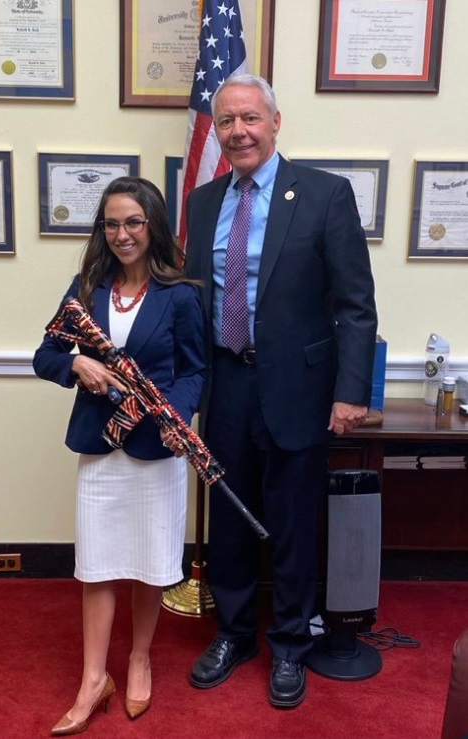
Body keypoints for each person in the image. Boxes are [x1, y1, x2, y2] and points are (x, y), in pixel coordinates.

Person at [185, 74, 378, 708]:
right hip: (226, 383)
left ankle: (291, 643)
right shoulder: (205, 201)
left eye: (250, 118)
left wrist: (350, 394)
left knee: (294, 523)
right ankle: (236, 633)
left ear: (275, 121)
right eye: (226, 121)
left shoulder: (325, 195)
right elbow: (193, 301)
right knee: (232, 522)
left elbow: (355, 304)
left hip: (299, 388)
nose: (238, 131)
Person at [33, 176, 206, 735]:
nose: (122, 234)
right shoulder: (87, 286)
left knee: (153, 561)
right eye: (111, 223)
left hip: (156, 448)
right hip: (99, 447)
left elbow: (193, 370)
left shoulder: (180, 294)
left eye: (133, 222)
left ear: (152, 225)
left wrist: (171, 417)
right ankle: (92, 679)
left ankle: (138, 659)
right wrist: (75, 365)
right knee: (99, 566)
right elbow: (45, 354)